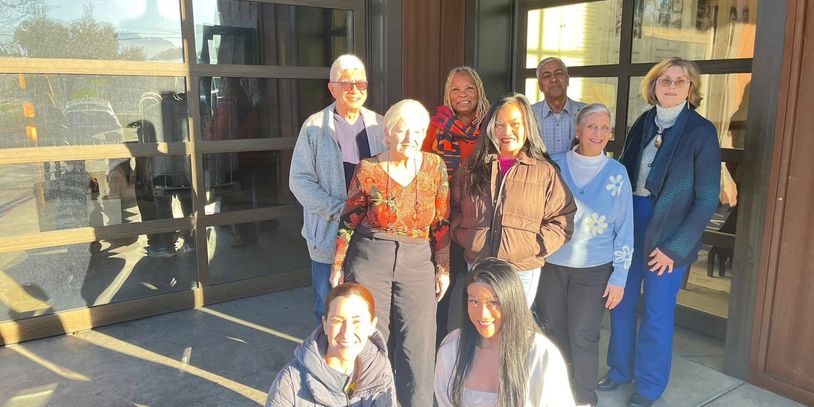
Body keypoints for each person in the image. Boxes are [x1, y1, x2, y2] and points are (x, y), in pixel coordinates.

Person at [598, 57, 721, 407]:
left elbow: (707, 197)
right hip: (631, 222)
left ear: (690, 88)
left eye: (679, 81)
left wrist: (676, 247)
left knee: (656, 310)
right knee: (620, 301)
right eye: (664, 80)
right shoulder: (643, 122)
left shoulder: (701, 131)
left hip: (670, 231)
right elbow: (622, 173)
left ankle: (649, 385)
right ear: (653, 85)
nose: (670, 86)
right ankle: (620, 369)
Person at [331, 99, 450, 407]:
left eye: (418, 131)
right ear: (387, 133)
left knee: (418, 346)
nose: (410, 137)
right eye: (402, 130)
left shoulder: (434, 167)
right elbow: (349, 220)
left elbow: (441, 222)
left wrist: (443, 267)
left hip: (417, 261)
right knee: (371, 341)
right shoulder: (368, 169)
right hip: (372, 258)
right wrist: (337, 265)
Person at [535, 104, 634, 407]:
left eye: (605, 128)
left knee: (584, 336)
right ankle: (558, 395)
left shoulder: (617, 173)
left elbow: (625, 229)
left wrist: (620, 276)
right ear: (578, 129)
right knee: (554, 333)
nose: (598, 133)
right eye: (592, 126)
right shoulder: (553, 165)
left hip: (595, 271)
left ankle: (585, 399)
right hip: (551, 266)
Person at [451, 93, 576, 307]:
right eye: (499, 125)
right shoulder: (472, 168)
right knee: (483, 322)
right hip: (479, 266)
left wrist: (533, 246)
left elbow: (563, 218)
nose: (506, 132)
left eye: (515, 124)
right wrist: (465, 237)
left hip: (521, 270)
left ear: (528, 126)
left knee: (513, 326)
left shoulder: (544, 171)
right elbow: (453, 208)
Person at [290, 54, 386, 325]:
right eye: (346, 83)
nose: (355, 89)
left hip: (370, 235)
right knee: (328, 307)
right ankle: (329, 352)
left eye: (360, 83)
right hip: (328, 235)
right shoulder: (314, 127)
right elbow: (299, 180)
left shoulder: (380, 125)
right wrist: (340, 209)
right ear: (332, 88)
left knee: (369, 307)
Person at [434, 257, 576, 407]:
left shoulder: (540, 354)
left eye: (493, 303)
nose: (483, 314)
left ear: (512, 302)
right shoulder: (452, 348)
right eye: (474, 301)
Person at [422, 66, 490, 345]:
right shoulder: (434, 126)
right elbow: (422, 169)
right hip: (442, 222)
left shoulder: (490, 126)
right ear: (447, 95)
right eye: (456, 89)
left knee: (478, 292)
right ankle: (437, 350)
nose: (463, 95)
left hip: (478, 223)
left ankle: (473, 350)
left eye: (469, 88)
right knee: (440, 292)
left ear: (479, 92)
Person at [266, 283, 396, 406]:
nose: (347, 333)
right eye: (338, 321)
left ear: (371, 326)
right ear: (325, 324)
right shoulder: (290, 383)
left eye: (357, 322)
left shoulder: (380, 369)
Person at [530, 57, 587, 154]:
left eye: (558, 73)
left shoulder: (586, 113)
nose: (553, 79)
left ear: (567, 80)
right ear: (539, 85)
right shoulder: (529, 114)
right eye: (546, 76)